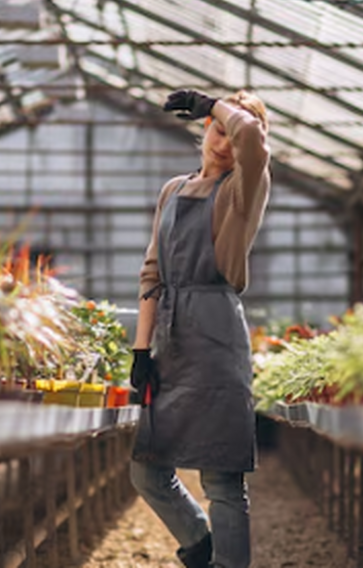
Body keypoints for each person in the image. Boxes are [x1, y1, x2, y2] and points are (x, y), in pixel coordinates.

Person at [129, 88, 271, 568]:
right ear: (203, 130)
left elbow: (252, 137)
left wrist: (215, 104)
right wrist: (141, 352)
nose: (224, 143)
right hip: (169, 337)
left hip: (215, 335)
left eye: (229, 133)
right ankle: (200, 544)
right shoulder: (172, 189)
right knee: (146, 469)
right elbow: (152, 274)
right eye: (216, 130)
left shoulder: (243, 189)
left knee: (222, 480)